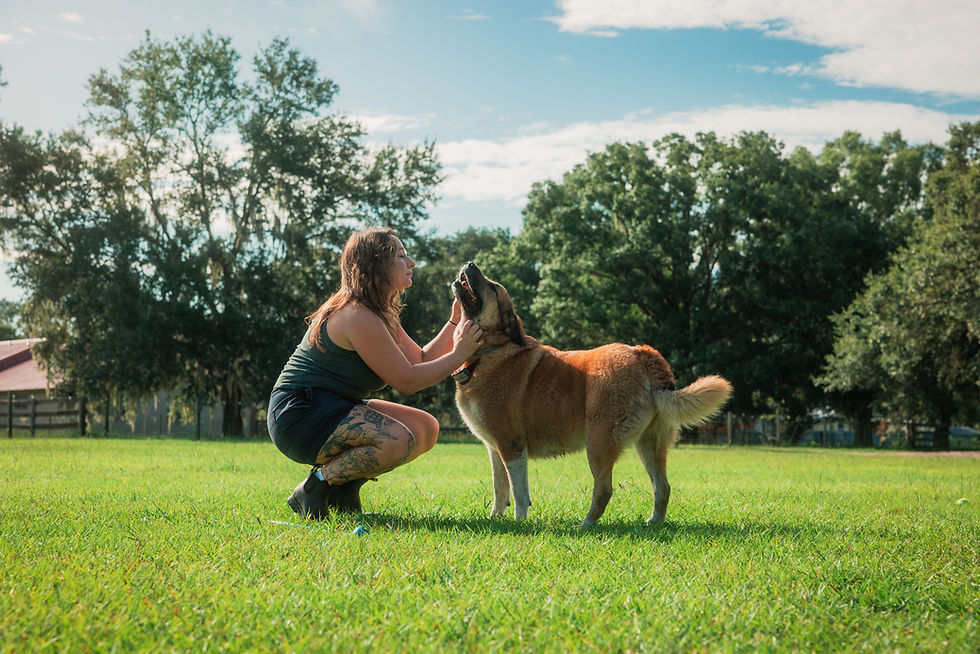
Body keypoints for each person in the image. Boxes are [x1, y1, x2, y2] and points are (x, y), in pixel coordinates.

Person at [267, 227, 483, 519]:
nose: (411, 263)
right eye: (401, 256)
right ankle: (314, 487)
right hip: (300, 414)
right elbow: (408, 380)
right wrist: (459, 354)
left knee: (424, 429)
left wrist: (455, 320)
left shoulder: (379, 312)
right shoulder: (357, 315)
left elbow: (421, 359)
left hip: (334, 407)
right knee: (397, 439)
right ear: (377, 265)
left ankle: (343, 489)